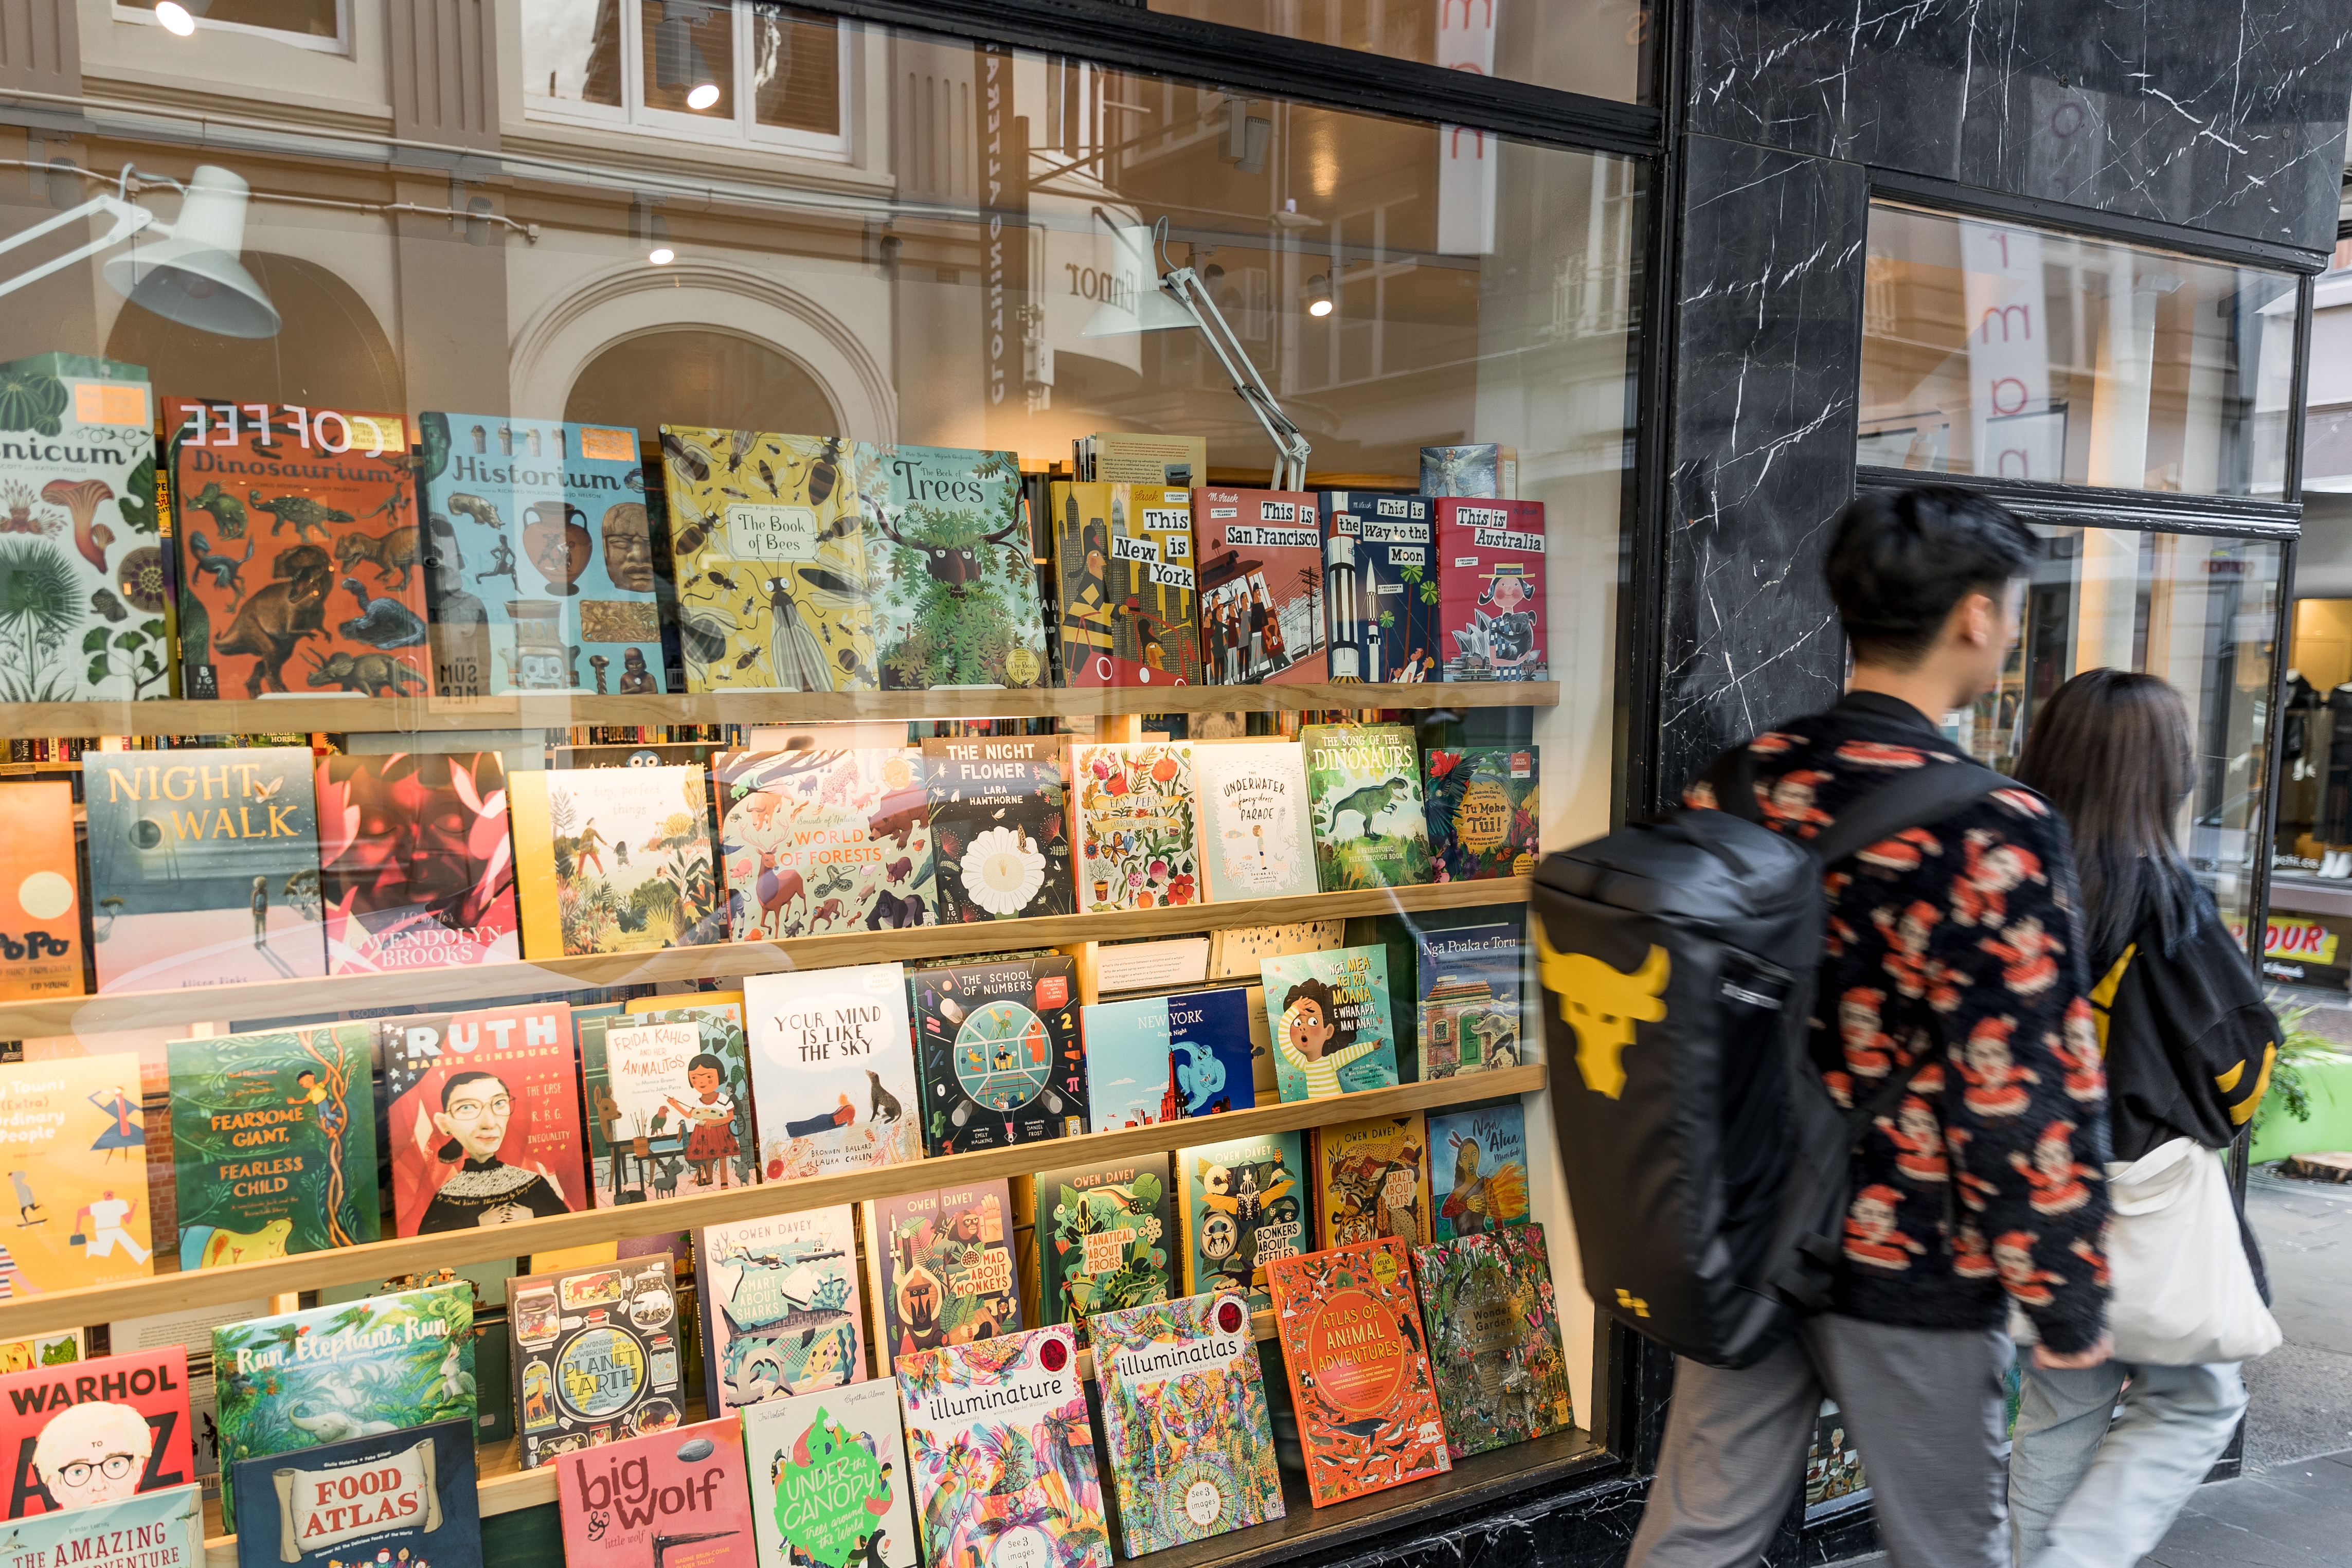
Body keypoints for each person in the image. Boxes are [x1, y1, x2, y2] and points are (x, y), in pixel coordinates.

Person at [1628, 486, 2111, 1568]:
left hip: (1752, 1227)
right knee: (1947, 1546)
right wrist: (2067, 1292)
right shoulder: (1998, 827)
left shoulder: (1744, 783)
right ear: (1976, 618)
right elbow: (2023, 1086)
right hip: (1913, 1255)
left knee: (1697, 1535)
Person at [2004, 670, 2277, 1568]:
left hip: (2037, 1187)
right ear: (2162, 774)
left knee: (2058, 1400)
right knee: (2197, 1397)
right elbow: (2239, 1076)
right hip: (2145, 1197)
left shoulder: (2011, 891)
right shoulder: (2169, 904)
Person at [419, 1069, 572, 1230]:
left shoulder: (532, 1182)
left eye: (499, 1104)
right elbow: (431, 1240)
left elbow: (566, 1227)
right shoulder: (448, 1197)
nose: (489, 1123)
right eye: (467, 1108)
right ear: (444, 1124)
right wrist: (477, 1223)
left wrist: (531, 1215)